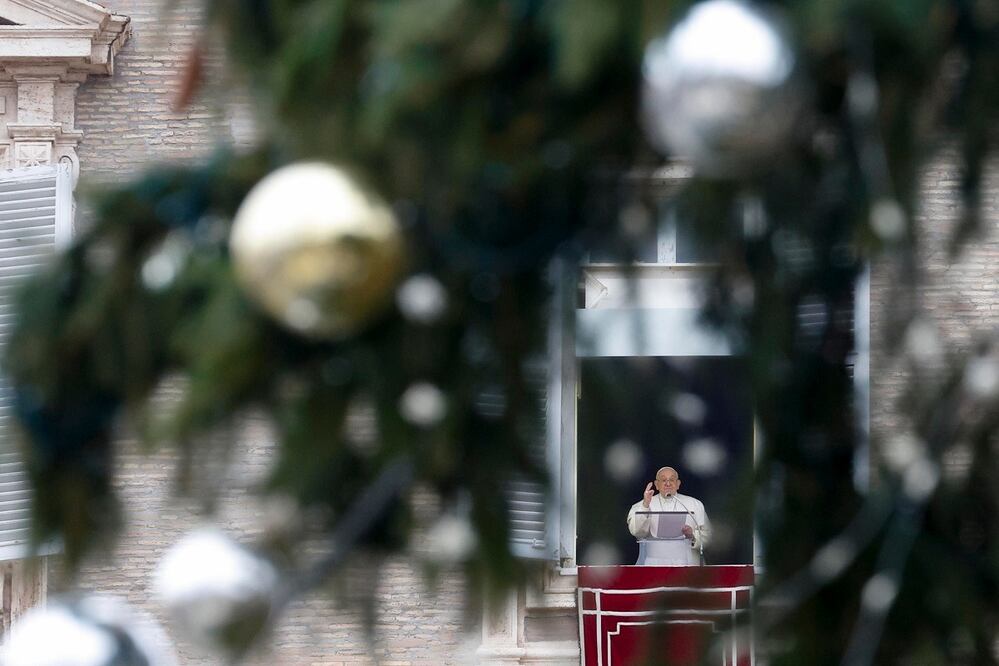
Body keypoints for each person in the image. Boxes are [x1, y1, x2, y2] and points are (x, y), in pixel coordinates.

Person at [627, 466, 711, 565]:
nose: (668, 483)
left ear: (678, 484)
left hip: (687, 562)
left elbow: (707, 535)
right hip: (654, 562)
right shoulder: (642, 505)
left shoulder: (694, 504)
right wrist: (645, 506)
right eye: (663, 480)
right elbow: (636, 531)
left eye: (671, 480)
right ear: (656, 485)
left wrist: (691, 536)